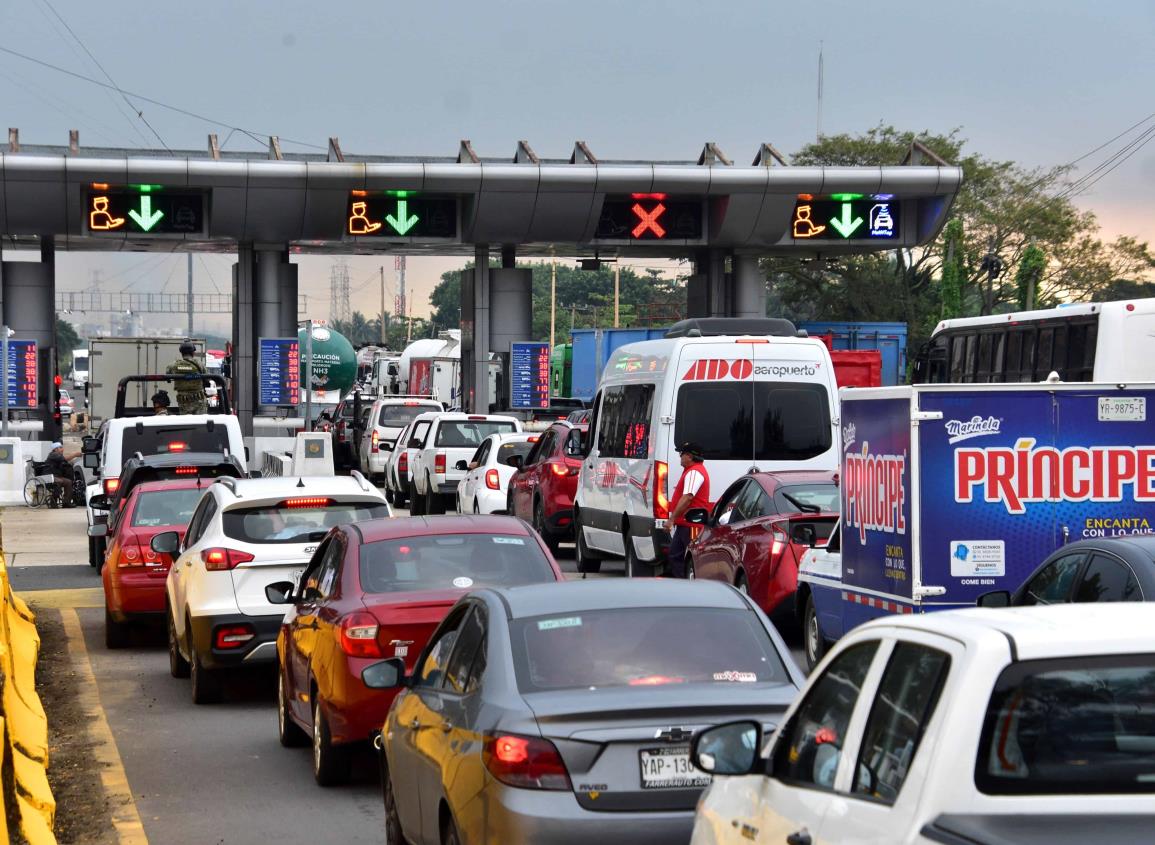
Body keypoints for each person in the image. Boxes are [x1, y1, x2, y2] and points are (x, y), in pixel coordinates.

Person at [666, 441, 710, 578]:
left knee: (688, 558)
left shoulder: (694, 472)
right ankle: (683, 586)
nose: (680, 457)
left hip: (691, 525)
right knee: (675, 555)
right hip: (685, 524)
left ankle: (686, 587)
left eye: (681, 454)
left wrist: (671, 519)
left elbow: (688, 497)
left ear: (689, 456)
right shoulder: (692, 471)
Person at [166, 341, 207, 414]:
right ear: (193, 352)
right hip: (199, 401)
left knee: (186, 423)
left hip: (183, 402)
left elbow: (167, 376)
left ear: (181, 353)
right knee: (201, 422)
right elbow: (206, 378)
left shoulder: (174, 365)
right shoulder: (200, 364)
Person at [45, 441, 80, 507]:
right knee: (59, 481)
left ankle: (66, 502)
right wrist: (75, 454)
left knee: (68, 482)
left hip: (57, 476)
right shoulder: (53, 454)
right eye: (60, 448)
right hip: (50, 476)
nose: (62, 449)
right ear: (55, 449)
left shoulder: (58, 456)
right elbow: (65, 459)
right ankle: (53, 502)